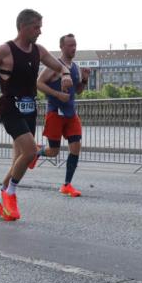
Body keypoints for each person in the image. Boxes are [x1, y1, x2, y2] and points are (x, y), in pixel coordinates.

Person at [0, 9, 72, 221]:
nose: (40, 31)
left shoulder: (38, 50)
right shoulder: (5, 49)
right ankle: (9, 193)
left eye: (40, 27)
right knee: (30, 151)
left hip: (30, 109)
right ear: (23, 27)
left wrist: (66, 75)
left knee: (19, 161)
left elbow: (59, 66)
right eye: (36, 27)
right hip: (9, 107)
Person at [37, 33, 89, 196]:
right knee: (54, 151)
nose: (73, 48)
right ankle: (36, 151)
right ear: (62, 47)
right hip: (55, 113)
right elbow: (38, 83)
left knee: (76, 147)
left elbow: (78, 91)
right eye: (70, 45)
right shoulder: (55, 65)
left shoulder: (75, 68)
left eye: (75, 45)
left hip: (71, 113)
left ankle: (67, 184)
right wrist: (57, 94)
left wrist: (85, 80)